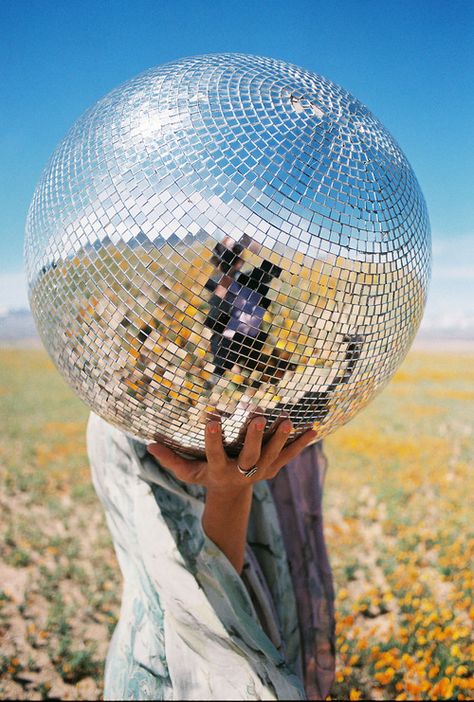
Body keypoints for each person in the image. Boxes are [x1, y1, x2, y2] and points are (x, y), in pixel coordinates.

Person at [87, 411, 336, 700]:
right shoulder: (150, 423)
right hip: (156, 425)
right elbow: (212, 605)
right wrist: (231, 490)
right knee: (185, 618)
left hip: (260, 434)